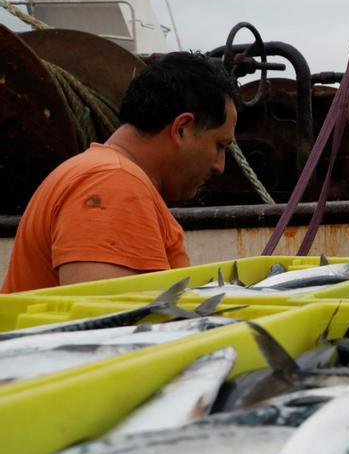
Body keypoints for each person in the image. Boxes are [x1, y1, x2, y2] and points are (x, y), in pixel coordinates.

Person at [2, 52, 238, 292]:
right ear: (181, 129)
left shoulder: (101, 173)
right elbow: (105, 319)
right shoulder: (113, 185)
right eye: (219, 145)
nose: (220, 165)